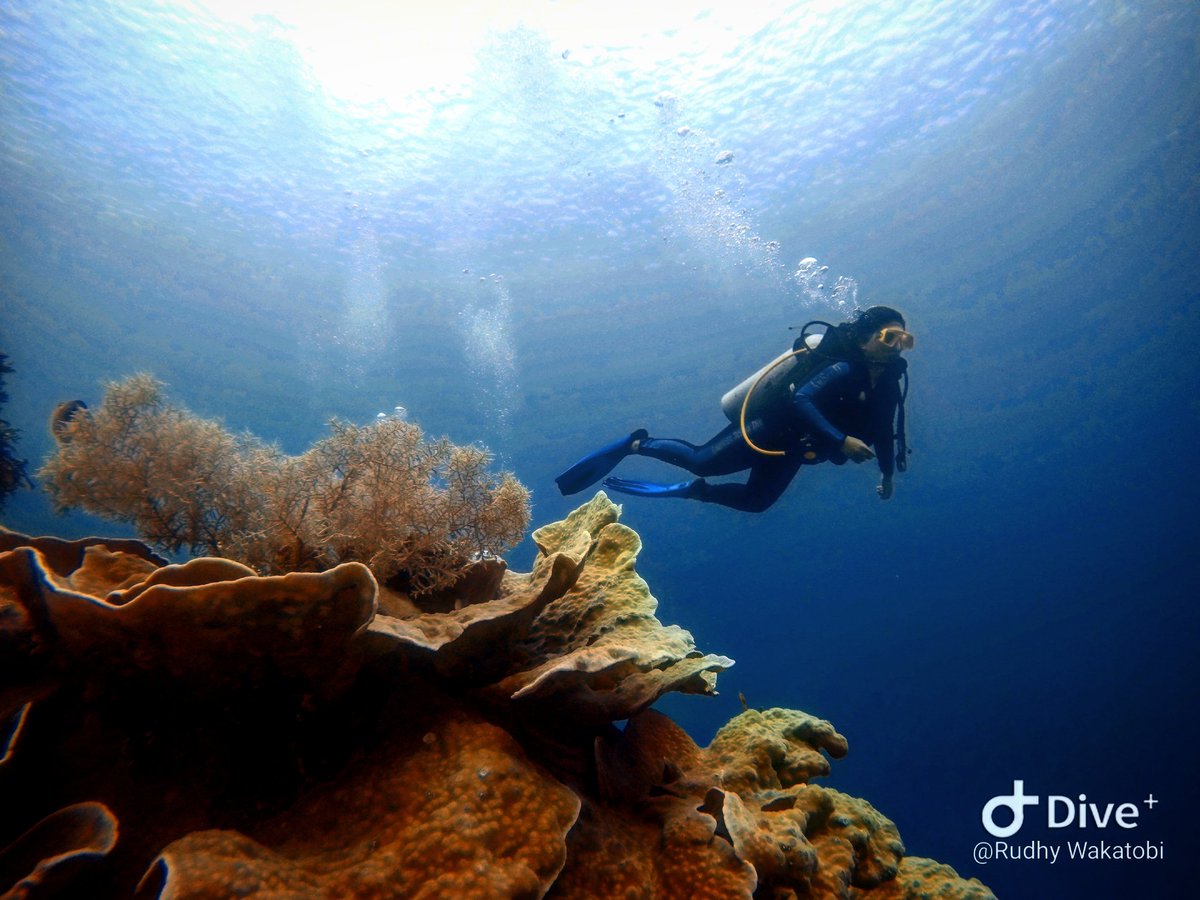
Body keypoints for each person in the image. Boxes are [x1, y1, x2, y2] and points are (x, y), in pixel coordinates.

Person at [554, 306, 913, 512]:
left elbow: (884, 430)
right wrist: (841, 440)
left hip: (794, 450)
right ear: (865, 339)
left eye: (905, 340)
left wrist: (886, 474)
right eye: (889, 337)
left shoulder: (888, 386)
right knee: (702, 461)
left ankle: (694, 491)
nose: (897, 346)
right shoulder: (843, 368)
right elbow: (801, 399)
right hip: (768, 428)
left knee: (757, 502)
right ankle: (635, 444)